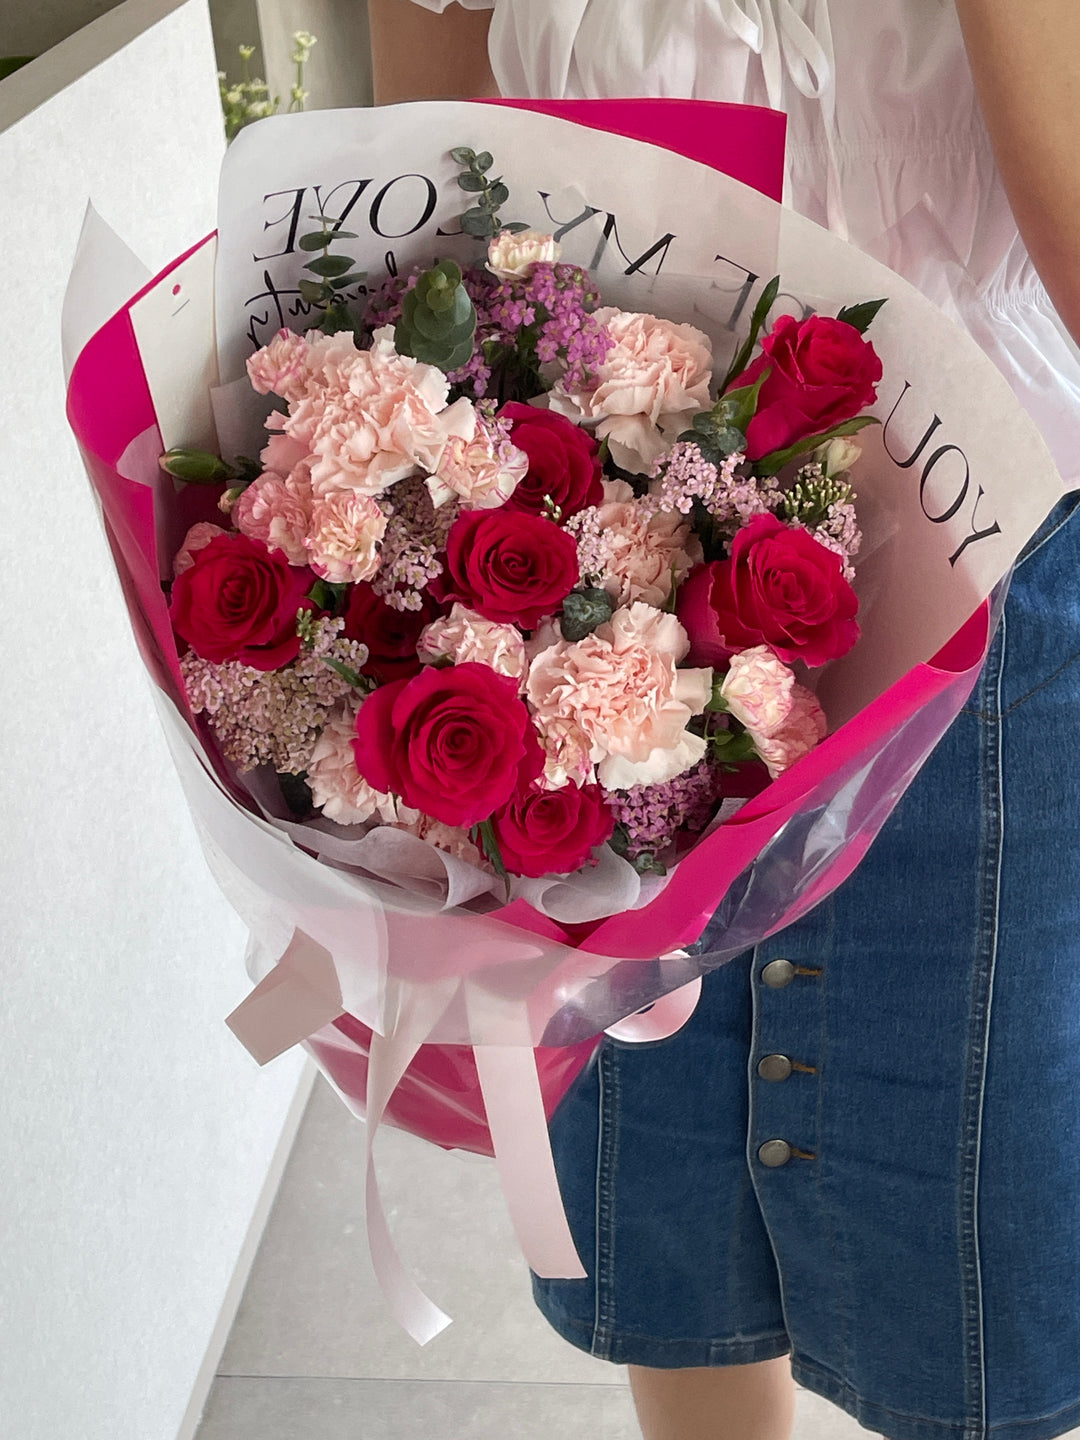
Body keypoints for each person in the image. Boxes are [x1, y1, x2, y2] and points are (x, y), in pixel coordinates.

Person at [368, 5, 1080, 1439]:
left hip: (982, 606)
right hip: (603, 583)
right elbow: (424, 221)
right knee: (670, 1196)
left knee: (963, 1245)